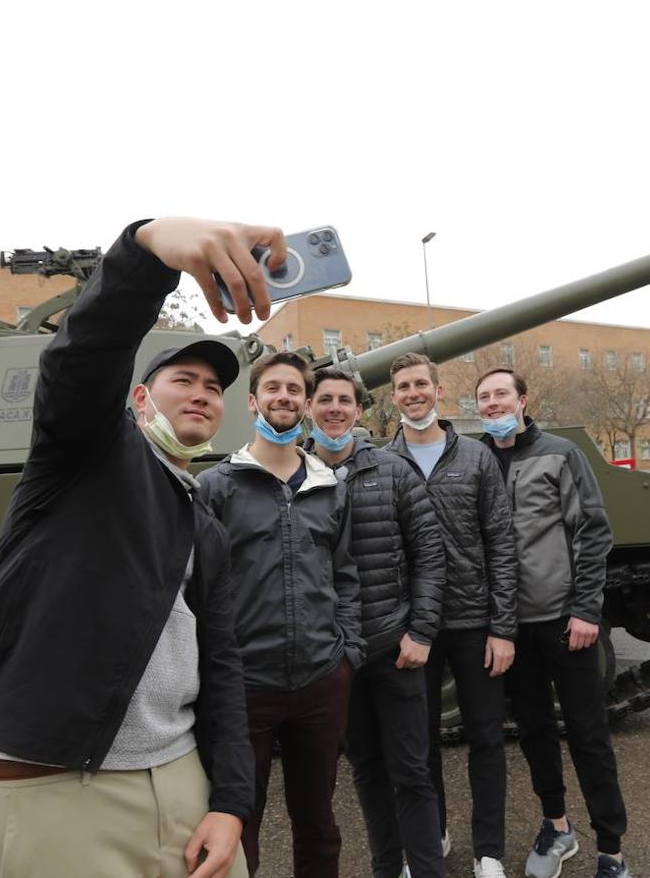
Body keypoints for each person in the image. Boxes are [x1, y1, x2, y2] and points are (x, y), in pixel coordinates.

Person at [0, 217, 282, 878]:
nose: (201, 394)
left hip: (178, 779)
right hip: (50, 787)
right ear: (138, 399)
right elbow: (82, 361)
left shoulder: (203, 517)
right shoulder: (84, 456)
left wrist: (231, 801)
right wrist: (147, 248)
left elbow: (221, 663)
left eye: (214, 389)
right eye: (183, 380)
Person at [196, 351, 365, 878]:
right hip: (245, 684)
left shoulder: (328, 487)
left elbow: (345, 574)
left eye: (295, 390)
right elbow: (199, 589)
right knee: (235, 823)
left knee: (317, 823)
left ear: (306, 403)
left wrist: (348, 654)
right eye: (273, 388)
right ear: (253, 400)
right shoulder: (216, 488)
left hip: (320, 678)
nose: (285, 397)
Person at [475, 368, 630, 878]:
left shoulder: (560, 454)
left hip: (564, 621)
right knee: (535, 729)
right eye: (484, 397)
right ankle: (557, 826)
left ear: (523, 400)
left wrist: (586, 608)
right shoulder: (476, 459)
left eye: (502, 394)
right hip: (510, 627)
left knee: (589, 735)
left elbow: (592, 529)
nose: (493, 403)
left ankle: (611, 850)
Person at [304, 366, 448, 878]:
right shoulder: (297, 477)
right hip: (338, 657)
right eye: (325, 400)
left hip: (394, 645)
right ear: (309, 407)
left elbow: (430, 556)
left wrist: (423, 630)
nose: (335, 409)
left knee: (412, 772)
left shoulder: (393, 472)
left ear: (359, 410)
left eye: (345, 400)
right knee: (366, 770)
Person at [384, 352, 518, 878]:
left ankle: (490, 851)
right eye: (403, 386)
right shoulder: (383, 461)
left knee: (486, 737)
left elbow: (501, 544)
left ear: (438, 391)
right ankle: (429, 834)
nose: (413, 393)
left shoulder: (476, 458)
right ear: (392, 396)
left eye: (422, 383)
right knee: (419, 745)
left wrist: (503, 627)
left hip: (471, 621)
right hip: (413, 627)